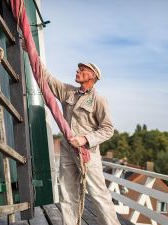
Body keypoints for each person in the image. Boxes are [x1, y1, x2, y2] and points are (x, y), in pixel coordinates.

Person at [42, 62, 121, 225]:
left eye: (83, 70)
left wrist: (85, 139)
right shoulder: (68, 92)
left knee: (99, 195)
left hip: (88, 154)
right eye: (78, 69)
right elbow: (48, 78)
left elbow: (108, 129)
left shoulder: (99, 100)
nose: (78, 71)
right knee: (67, 194)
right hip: (67, 151)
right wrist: (30, 52)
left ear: (92, 75)